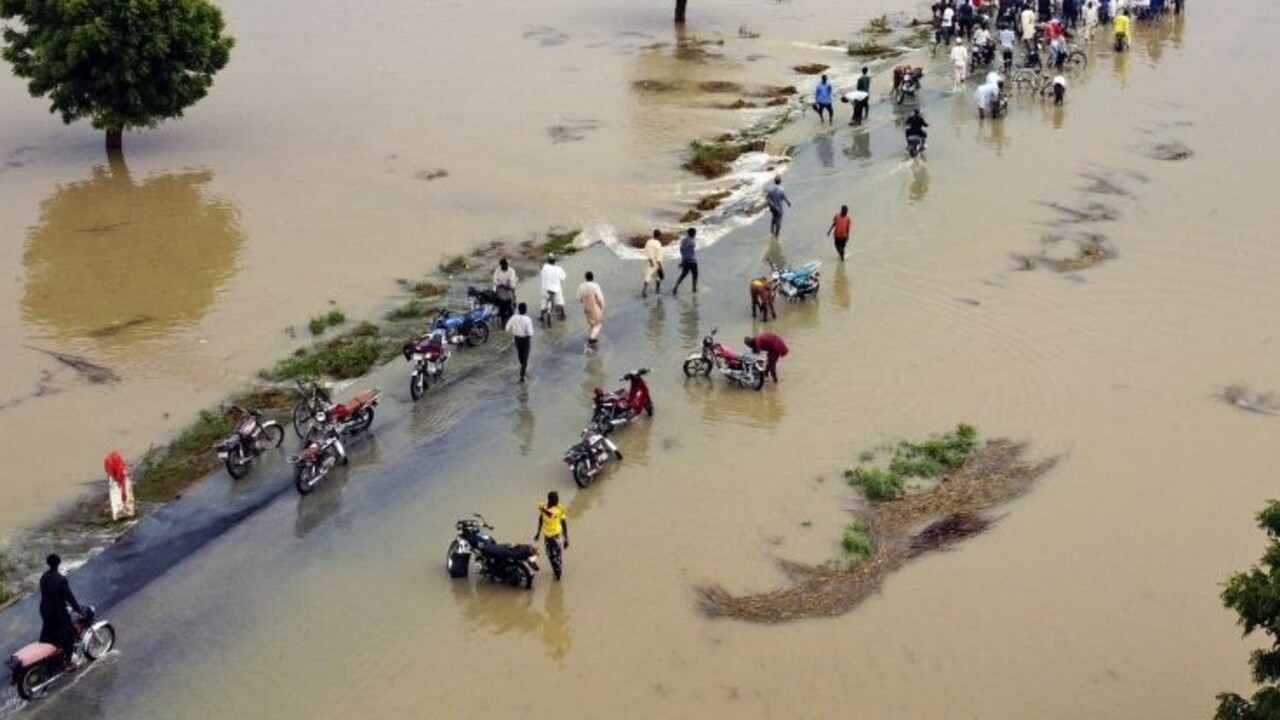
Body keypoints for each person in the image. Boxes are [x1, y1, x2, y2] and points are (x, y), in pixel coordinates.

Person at [39, 554, 83, 671]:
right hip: (57, 612)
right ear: (59, 563)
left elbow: (48, 594)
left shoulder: (43, 577)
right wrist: (78, 609)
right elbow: (69, 597)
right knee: (71, 634)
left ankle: (51, 656)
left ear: (48, 563)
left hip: (44, 609)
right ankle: (68, 662)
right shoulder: (61, 580)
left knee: (49, 631)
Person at [533, 491, 569, 581]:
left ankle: (558, 573)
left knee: (557, 556)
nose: (557, 502)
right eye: (555, 500)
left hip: (556, 536)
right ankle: (556, 569)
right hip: (547, 536)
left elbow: (563, 523)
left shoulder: (559, 509)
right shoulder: (542, 505)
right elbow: (541, 518)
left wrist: (566, 538)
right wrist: (538, 532)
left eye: (557, 500)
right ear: (549, 500)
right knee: (549, 555)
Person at [505, 302, 534, 382]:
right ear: (526, 310)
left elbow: (507, 328)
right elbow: (530, 333)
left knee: (520, 356)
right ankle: (522, 375)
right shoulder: (527, 319)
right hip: (525, 339)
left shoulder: (513, 317)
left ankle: (523, 368)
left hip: (517, 339)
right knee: (525, 357)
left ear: (518, 309)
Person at [577, 271, 605, 351]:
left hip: (586, 308)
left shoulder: (581, 286)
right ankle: (591, 340)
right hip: (594, 307)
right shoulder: (595, 286)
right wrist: (602, 307)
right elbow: (600, 298)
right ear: (593, 277)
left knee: (592, 324)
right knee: (599, 324)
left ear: (585, 277)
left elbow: (579, 298)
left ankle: (594, 341)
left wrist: (584, 302)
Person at [538, 254, 567, 324]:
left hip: (545, 290)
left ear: (548, 261)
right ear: (555, 261)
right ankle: (563, 315)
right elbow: (563, 278)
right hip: (556, 291)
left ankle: (541, 316)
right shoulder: (558, 269)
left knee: (544, 302)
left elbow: (541, 271)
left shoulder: (544, 267)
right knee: (560, 302)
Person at [671, 227, 698, 295]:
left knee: (683, 275)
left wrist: (683, 261)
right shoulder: (692, 243)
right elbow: (690, 253)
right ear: (694, 234)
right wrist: (685, 260)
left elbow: (682, 250)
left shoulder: (684, 240)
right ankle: (694, 289)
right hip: (692, 261)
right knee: (695, 275)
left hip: (685, 261)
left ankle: (675, 287)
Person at [492, 258, 518, 323]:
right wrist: (502, 285)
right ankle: (502, 316)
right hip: (500, 289)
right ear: (501, 266)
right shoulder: (497, 271)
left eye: (506, 265)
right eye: (504, 266)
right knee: (501, 304)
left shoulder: (511, 271)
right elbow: (495, 281)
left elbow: (511, 283)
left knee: (510, 305)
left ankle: (510, 317)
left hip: (509, 289)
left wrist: (504, 285)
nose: (505, 267)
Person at [642, 229, 664, 297]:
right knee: (658, 277)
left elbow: (646, 252)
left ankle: (644, 291)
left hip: (649, 262)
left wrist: (650, 260)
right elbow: (659, 259)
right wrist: (661, 269)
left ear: (653, 234)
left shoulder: (648, 242)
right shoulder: (658, 244)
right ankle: (657, 289)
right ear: (659, 236)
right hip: (656, 263)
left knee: (648, 276)